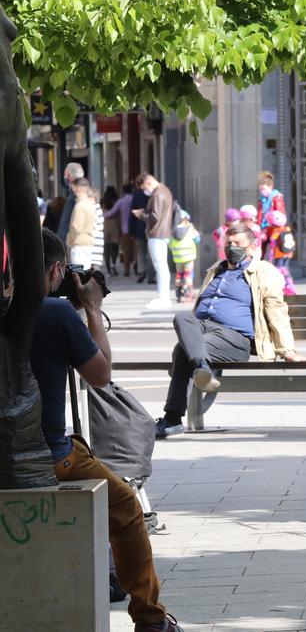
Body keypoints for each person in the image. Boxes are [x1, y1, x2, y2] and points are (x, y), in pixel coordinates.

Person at [31, 228, 183, 632]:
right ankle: (150, 619)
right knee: (128, 508)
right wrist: (92, 309)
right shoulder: (54, 312)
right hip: (50, 457)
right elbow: (100, 375)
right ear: (57, 269)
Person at [155, 225, 306, 438]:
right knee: (182, 317)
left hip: (236, 338)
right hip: (202, 330)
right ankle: (201, 367)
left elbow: (277, 310)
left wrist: (287, 350)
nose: (232, 247)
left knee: (182, 351)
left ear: (252, 247)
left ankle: (173, 419)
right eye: (228, 243)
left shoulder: (264, 272)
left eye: (237, 244)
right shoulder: (215, 269)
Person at [132, 173, 175, 308]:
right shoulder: (165, 190)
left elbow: (154, 216)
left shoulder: (157, 194)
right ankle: (164, 296)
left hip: (157, 233)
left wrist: (141, 214)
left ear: (148, 182)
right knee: (162, 265)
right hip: (163, 232)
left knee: (160, 266)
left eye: (144, 187)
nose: (145, 191)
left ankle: (163, 297)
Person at [168, 210, 201, 302]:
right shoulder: (190, 228)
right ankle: (188, 293)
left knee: (179, 274)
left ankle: (179, 293)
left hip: (177, 257)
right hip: (189, 256)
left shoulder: (173, 230)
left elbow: (170, 244)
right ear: (186, 219)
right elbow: (197, 239)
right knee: (188, 274)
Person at [66, 179, 99, 267]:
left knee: (78, 274)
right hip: (88, 242)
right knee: (85, 274)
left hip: (79, 244)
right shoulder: (89, 204)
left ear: (78, 189)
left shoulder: (80, 206)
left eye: (74, 188)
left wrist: (69, 241)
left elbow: (76, 228)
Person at [264, 209, 297, 295]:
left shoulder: (276, 231)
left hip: (279, 254)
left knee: (280, 269)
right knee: (286, 269)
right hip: (287, 253)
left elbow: (272, 242)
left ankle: (285, 286)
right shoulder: (287, 228)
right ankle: (290, 285)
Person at [107, 183, 136, 277]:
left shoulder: (121, 201)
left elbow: (112, 212)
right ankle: (137, 266)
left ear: (123, 191)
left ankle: (126, 270)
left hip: (125, 229)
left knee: (126, 250)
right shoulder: (135, 199)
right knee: (136, 249)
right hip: (135, 228)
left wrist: (102, 215)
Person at [101, 185, 120, 275]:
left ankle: (108, 267)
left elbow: (101, 212)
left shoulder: (103, 201)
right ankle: (114, 263)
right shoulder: (116, 201)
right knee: (115, 245)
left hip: (105, 225)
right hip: (115, 224)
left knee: (106, 246)